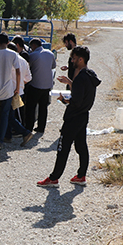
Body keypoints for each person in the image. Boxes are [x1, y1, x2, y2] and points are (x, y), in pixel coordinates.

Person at [37, 46, 101, 188]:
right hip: (83, 116)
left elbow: (76, 101)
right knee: (81, 147)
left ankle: (53, 178)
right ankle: (81, 176)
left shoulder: (80, 78)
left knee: (62, 148)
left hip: (73, 118)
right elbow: (81, 94)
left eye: (73, 58)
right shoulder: (90, 75)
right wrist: (70, 83)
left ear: (81, 59)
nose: (71, 61)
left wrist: (63, 100)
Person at [0, 33, 33, 151]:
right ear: (7, 42)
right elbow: (18, 72)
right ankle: (1, 140)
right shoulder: (13, 54)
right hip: (8, 90)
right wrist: (17, 87)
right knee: (5, 115)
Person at [25, 38, 57, 133]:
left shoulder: (33, 55)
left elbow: (28, 67)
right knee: (43, 108)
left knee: (31, 107)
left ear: (34, 46)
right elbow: (53, 66)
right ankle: (41, 127)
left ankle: (29, 127)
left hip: (35, 85)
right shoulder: (50, 53)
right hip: (47, 86)